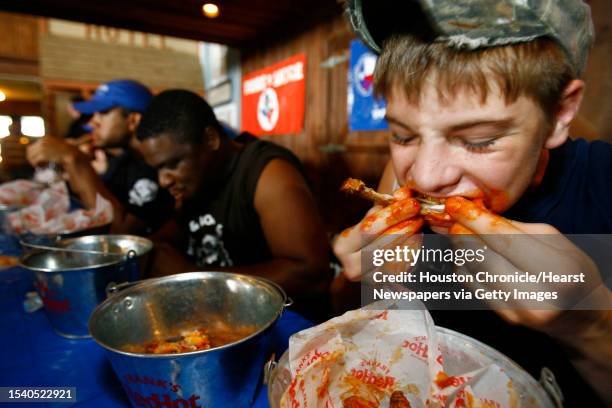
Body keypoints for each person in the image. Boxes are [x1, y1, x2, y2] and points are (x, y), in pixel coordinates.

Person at [334, 0, 611, 405]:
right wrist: (364, 278)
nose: (426, 176)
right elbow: (355, 328)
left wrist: (590, 325)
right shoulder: (398, 183)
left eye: (478, 140)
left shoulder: (602, 185)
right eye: (404, 136)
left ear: (558, 114)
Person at [136, 90, 332, 320]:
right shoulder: (197, 178)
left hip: (287, 329)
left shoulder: (268, 173)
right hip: (227, 318)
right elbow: (172, 234)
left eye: (173, 164)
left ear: (211, 139)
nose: (163, 180)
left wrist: (197, 279)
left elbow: (312, 274)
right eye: (157, 168)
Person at [26, 79, 174, 234]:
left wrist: (74, 159)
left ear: (133, 120)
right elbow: (92, 202)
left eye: (103, 113)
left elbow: (121, 234)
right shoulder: (123, 160)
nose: (92, 122)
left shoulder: (153, 167)